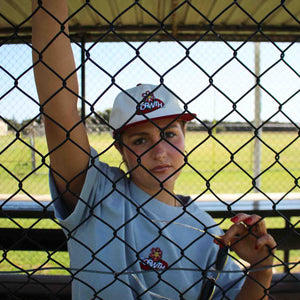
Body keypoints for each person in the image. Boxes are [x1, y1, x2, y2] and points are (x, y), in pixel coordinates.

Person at [32, 1, 276, 299]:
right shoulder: (98, 194)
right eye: (140, 140)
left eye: (169, 134)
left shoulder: (206, 230)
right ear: (120, 148)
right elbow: (59, 111)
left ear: (185, 136)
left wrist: (262, 268)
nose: (160, 152)